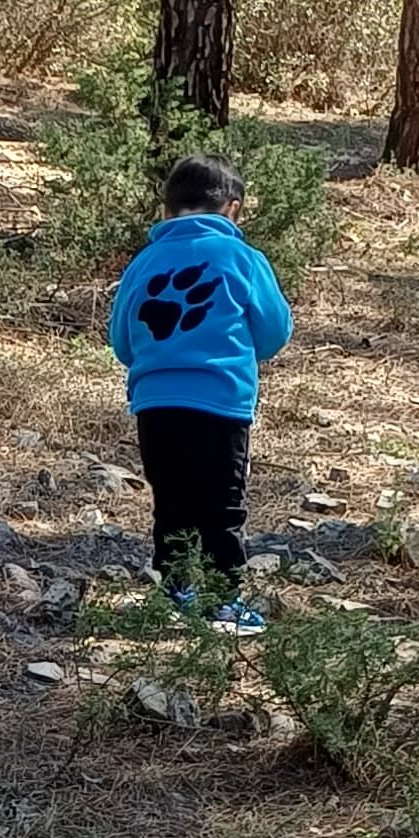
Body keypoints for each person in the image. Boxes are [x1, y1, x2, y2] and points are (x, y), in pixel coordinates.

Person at [106, 153, 292, 632]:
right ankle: (224, 601)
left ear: (167, 208)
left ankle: (176, 590)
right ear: (232, 209)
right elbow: (274, 333)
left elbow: (122, 340)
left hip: (156, 402)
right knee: (222, 503)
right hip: (220, 401)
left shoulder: (144, 262)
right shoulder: (243, 260)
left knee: (172, 500)